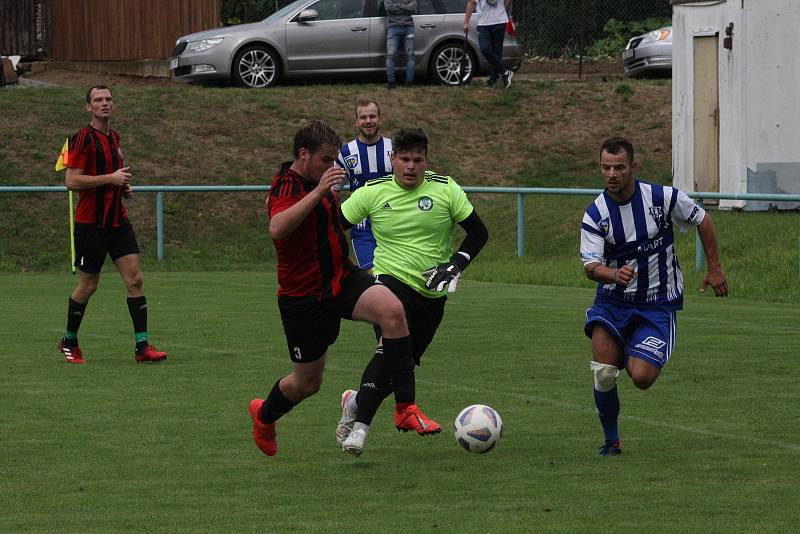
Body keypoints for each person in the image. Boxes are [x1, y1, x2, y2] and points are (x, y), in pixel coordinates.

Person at [251, 119, 437, 458]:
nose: (332, 167)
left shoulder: (321, 181)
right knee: (307, 384)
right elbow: (278, 229)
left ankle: (405, 408)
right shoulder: (287, 185)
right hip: (304, 296)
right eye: (326, 159)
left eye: (335, 160)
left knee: (394, 312)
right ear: (303, 154)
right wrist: (321, 191)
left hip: (343, 279)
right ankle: (264, 415)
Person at [335, 128, 489, 456]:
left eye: (417, 160)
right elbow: (332, 227)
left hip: (432, 294)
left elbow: (478, 232)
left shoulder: (445, 189)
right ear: (392, 159)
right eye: (404, 159)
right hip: (389, 283)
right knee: (388, 348)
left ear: (426, 161)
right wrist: (347, 270)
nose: (410, 166)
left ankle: (356, 401)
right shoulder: (372, 192)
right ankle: (360, 431)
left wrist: (455, 264)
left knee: (400, 364)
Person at [580, 137, 728, 457]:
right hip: (612, 301)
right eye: (605, 167)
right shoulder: (596, 214)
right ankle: (611, 441)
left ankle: (626, 352)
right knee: (604, 373)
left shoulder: (662, 198)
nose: (611, 174)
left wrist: (714, 268)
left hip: (658, 303)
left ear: (633, 166)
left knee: (642, 377)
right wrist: (613, 274)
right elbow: (590, 266)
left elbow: (702, 219)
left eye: (619, 167)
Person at [57, 85, 167, 365]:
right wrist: (111, 178)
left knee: (135, 279)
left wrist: (123, 188)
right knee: (89, 285)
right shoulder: (82, 139)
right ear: (88, 107)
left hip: (117, 221)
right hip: (91, 224)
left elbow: (114, 177)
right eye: (98, 100)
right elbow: (72, 181)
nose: (104, 103)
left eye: (108, 99)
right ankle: (69, 341)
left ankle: (142, 348)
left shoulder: (114, 138)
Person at [336, 98, 393, 270]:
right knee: (372, 275)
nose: (368, 121)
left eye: (372, 116)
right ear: (356, 122)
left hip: (393, 224)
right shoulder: (345, 153)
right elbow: (332, 190)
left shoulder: (395, 148)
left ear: (380, 119)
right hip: (362, 227)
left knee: (395, 276)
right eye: (363, 117)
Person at [464, 0, 514, 89]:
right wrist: (466, 22)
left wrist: (502, 10)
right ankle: (505, 72)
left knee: (497, 52)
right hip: (483, 24)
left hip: (499, 22)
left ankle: (492, 81)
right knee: (485, 48)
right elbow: (470, 3)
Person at [384, 0, 417, 89]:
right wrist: (405, 8)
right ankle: (391, 83)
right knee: (391, 55)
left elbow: (413, 8)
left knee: (410, 55)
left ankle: (409, 83)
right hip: (393, 27)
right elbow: (389, 8)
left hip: (408, 27)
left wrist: (397, 5)